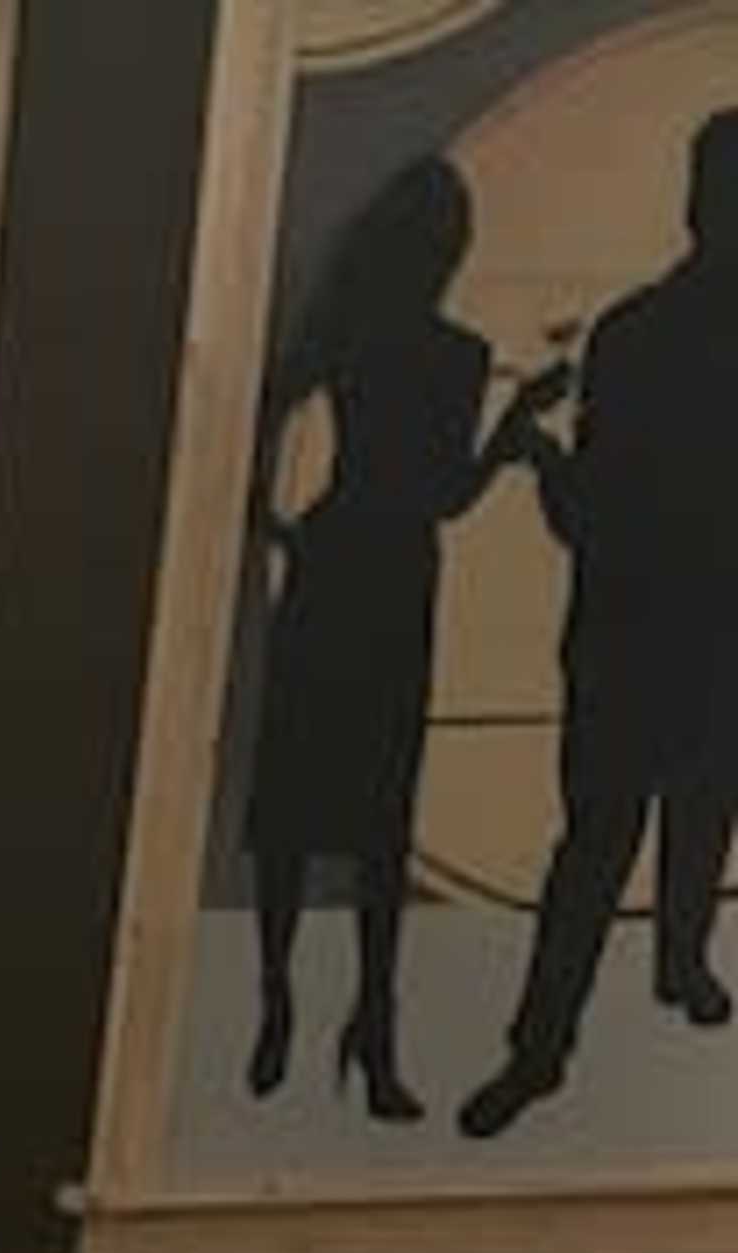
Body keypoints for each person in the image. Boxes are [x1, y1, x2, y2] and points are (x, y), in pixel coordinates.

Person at [245, 163, 564, 1120]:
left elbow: (263, 408)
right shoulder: (453, 355)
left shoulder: (348, 331)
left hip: (333, 560)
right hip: (393, 580)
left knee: (295, 807)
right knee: (379, 817)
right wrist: (516, 428)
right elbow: (443, 498)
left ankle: (279, 1004)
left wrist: (265, 518)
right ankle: (370, 1029)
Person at [461, 106, 738, 1141]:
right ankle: (682, 965)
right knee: (699, 810)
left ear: (696, 206)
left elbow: (591, 518)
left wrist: (538, 462)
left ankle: (541, 1049)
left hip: (628, 637)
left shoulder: (631, 336)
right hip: (711, 638)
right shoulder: (635, 335)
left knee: (597, 845)